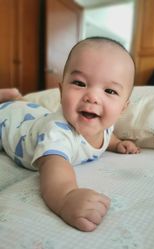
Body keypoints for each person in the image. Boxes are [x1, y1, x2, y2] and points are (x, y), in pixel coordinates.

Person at [0, 37, 140, 232]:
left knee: (30, 109)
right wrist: (66, 198)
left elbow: (107, 137)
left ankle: (16, 98)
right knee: (14, 111)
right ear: (61, 90)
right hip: (9, 121)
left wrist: (117, 144)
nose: (92, 97)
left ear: (123, 108)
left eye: (109, 90)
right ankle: (10, 100)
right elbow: (55, 171)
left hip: (35, 115)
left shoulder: (105, 125)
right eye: (80, 83)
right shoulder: (56, 133)